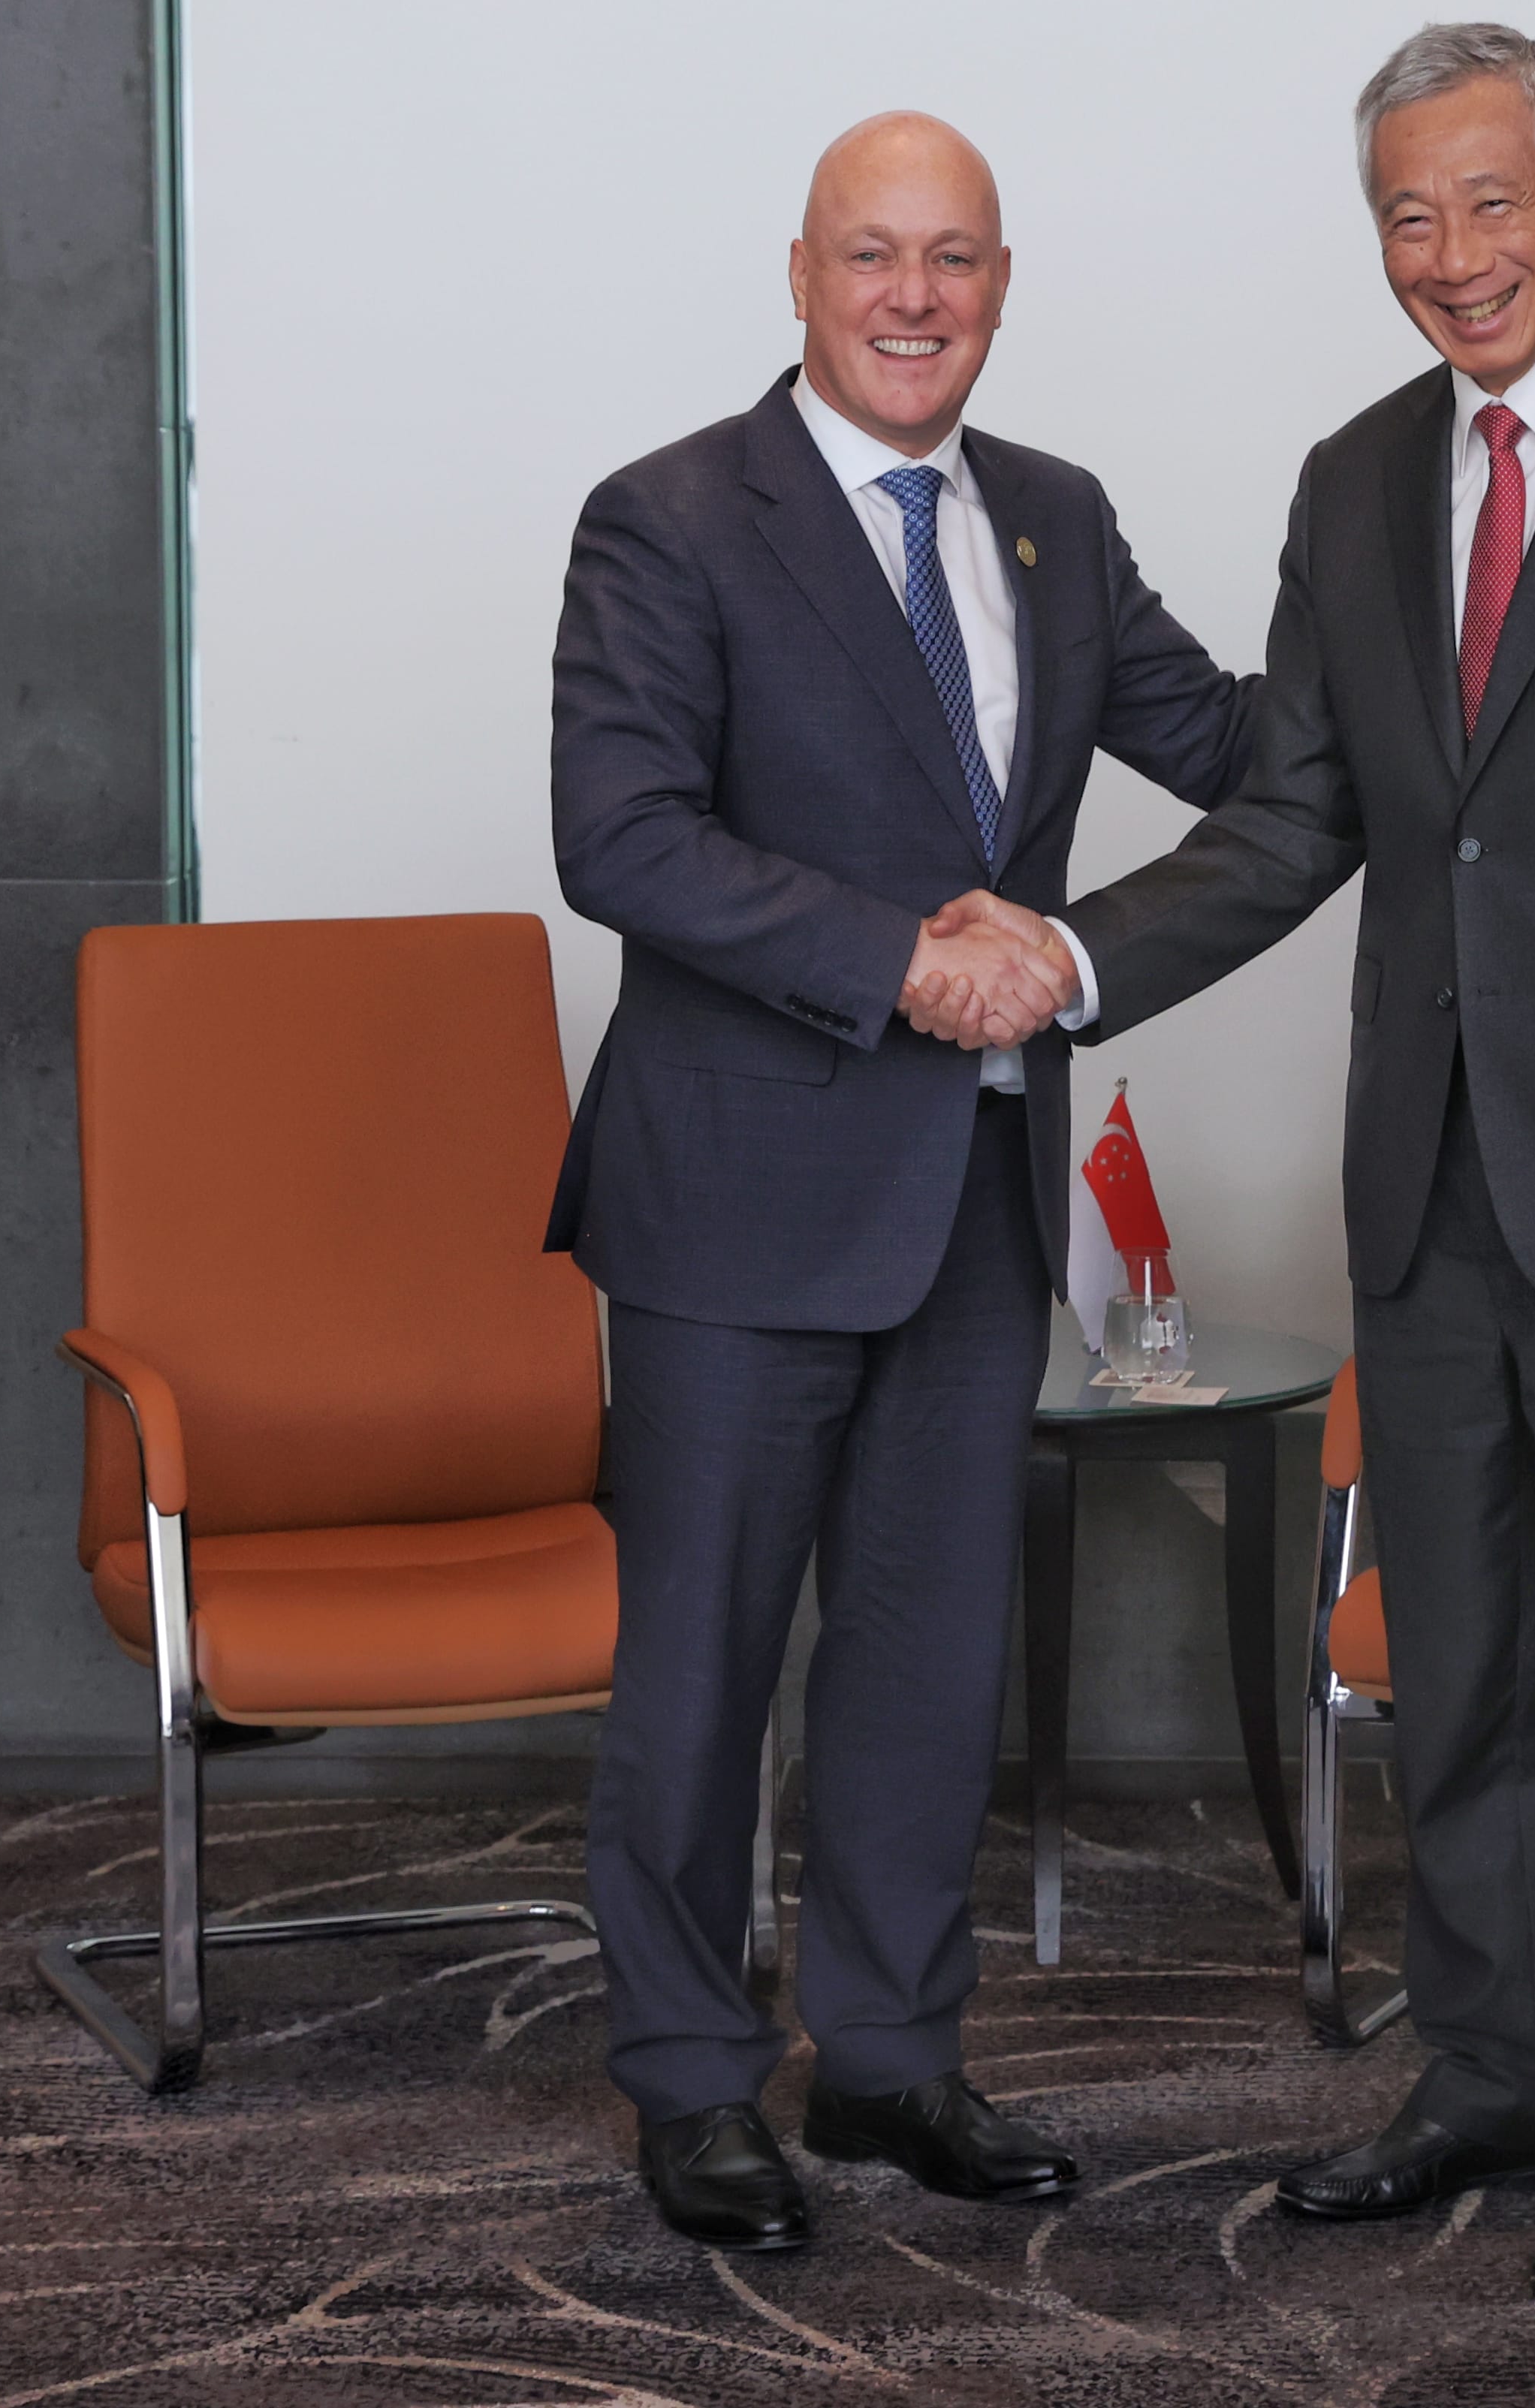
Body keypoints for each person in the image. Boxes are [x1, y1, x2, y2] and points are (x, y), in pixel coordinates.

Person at [945, 24, 1535, 2302]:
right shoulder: (1357, 480)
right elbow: (1297, 823)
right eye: (1405, 215)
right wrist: (1067, 954)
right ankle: (1490, 2070)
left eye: (1487, 203)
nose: (1450, 257)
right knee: (1462, 1660)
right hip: (1434, 1171)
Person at [545, 112, 1251, 2253]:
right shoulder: (668, 517)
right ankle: (687, 2078)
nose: (913, 296)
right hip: (739, 1199)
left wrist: (1468, 705)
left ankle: (883, 2058)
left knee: (925, 1658)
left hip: (967, 1194)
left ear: (1002, 280)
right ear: (801, 272)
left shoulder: (1048, 517)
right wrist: (909, 962)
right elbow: (625, 835)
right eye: (873, 255)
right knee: (701, 1668)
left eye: (952, 257)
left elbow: (1237, 745)